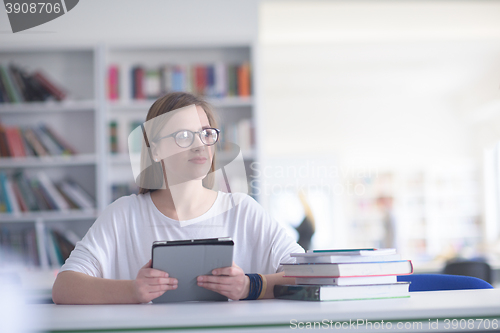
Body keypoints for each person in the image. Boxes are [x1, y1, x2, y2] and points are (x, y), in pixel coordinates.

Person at [52, 92, 304, 304]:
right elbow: (63, 287)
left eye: (206, 133)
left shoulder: (243, 211)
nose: (200, 145)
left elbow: (306, 274)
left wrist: (250, 286)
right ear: (156, 149)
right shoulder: (123, 215)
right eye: (184, 135)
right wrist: (132, 290)